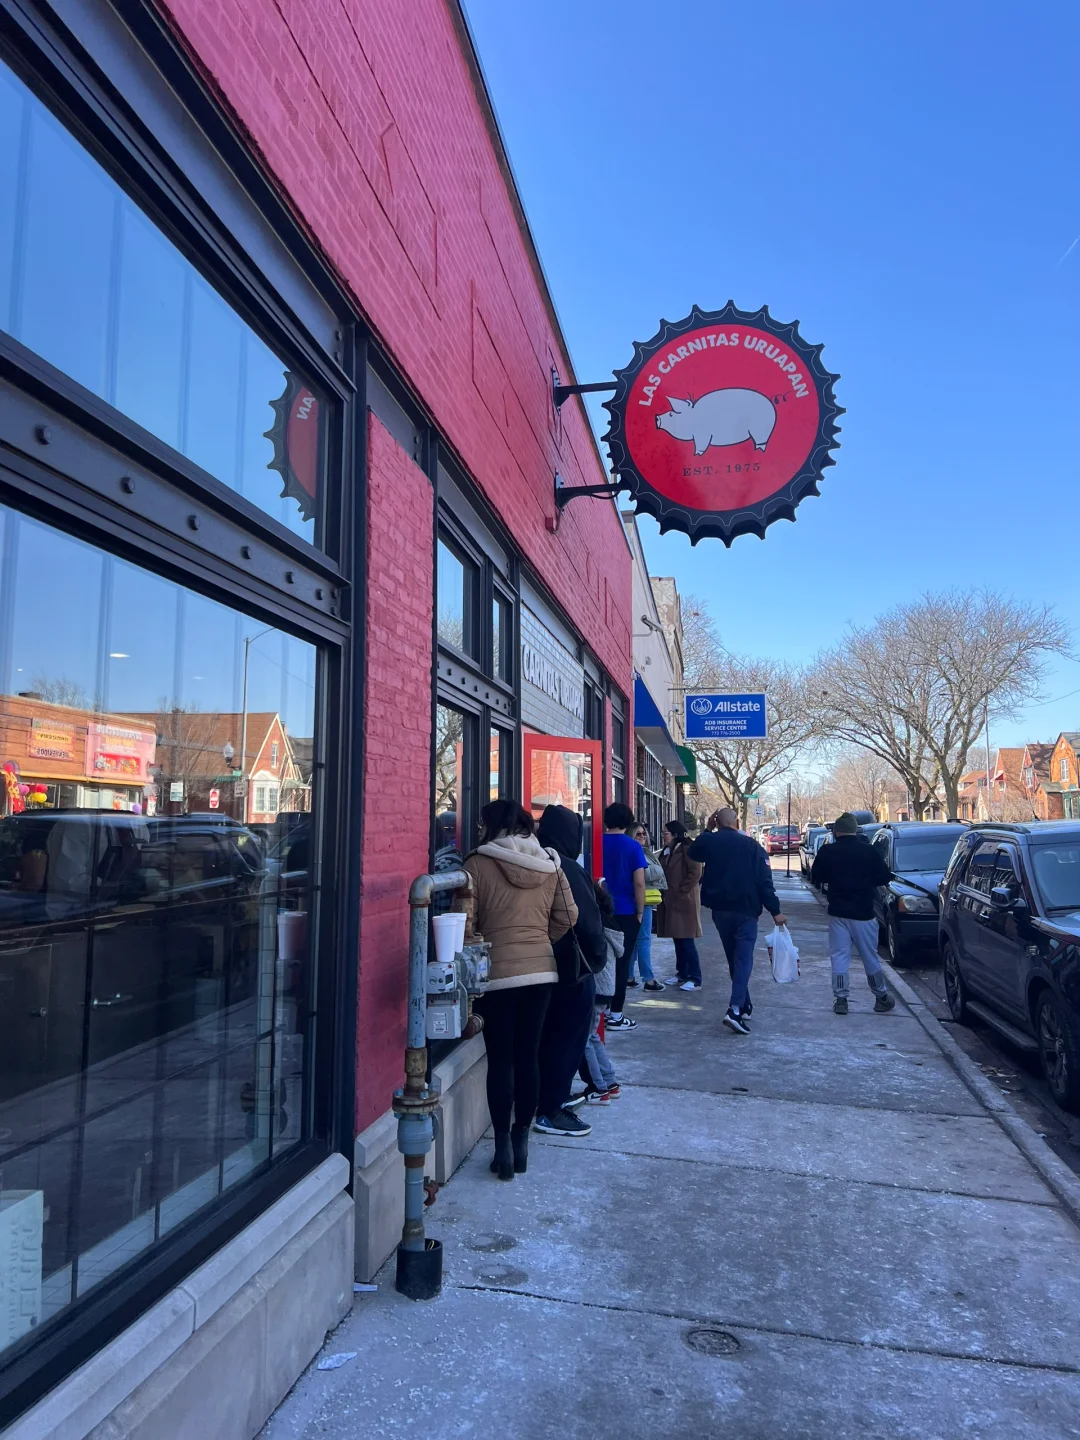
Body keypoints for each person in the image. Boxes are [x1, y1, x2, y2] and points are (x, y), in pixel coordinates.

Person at [456, 799, 577, 1180]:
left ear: (489, 825)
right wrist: (541, 942)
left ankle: (503, 1146)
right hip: (542, 974)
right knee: (529, 1057)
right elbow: (569, 916)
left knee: (501, 1060)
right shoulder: (551, 864)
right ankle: (522, 1139)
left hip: (497, 977)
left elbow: (464, 926)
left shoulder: (476, 864)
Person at [534, 805, 606, 1139]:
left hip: (535, 967)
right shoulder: (568, 870)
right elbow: (587, 924)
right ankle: (551, 1108)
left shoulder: (532, 861)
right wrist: (597, 959)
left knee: (545, 1038)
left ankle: (544, 1100)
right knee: (567, 1038)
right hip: (571, 970)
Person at [688, 807, 787, 1034]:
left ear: (717, 821)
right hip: (746, 911)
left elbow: (693, 852)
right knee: (743, 960)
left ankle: (744, 1004)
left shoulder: (711, 842)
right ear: (738, 821)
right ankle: (734, 1010)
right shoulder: (753, 847)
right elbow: (765, 882)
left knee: (735, 959)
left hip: (720, 910)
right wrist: (775, 911)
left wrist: (707, 828)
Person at [810, 811, 897, 1015]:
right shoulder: (869, 851)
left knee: (839, 955)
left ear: (837, 832)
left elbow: (817, 876)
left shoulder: (827, 851)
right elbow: (884, 877)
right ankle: (881, 997)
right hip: (863, 912)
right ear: (855, 831)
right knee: (869, 956)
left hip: (837, 911)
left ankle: (841, 999)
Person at [600, 802, 646, 1030]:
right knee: (622, 962)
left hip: (599, 911)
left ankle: (600, 1009)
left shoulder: (594, 842)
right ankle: (615, 1014)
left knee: (600, 960)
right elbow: (639, 882)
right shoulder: (633, 847)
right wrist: (640, 911)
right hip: (626, 911)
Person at [575, 880, 622, 1104]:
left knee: (585, 1038)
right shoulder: (610, 923)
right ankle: (610, 1083)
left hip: (596, 988)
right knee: (592, 1036)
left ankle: (599, 1088)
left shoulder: (595, 925)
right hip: (607, 989)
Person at [656, 819, 704, 990]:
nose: (663, 837)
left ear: (675, 834)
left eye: (665, 833)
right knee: (678, 938)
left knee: (686, 940)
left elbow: (696, 872)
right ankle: (682, 973)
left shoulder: (687, 849)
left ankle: (695, 977)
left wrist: (682, 892)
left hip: (684, 901)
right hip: (670, 900)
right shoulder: (667, 851)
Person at [627, 823, 667, 992]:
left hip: (641, 899)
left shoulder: (643, 852)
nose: (642, 836)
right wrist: (659, 869)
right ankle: (649, 980)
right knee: (644, 940)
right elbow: (646, 874)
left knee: (635, 942)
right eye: (638, 834)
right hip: (642, 901)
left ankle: (628, 976)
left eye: (644, 833)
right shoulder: (636, 853)